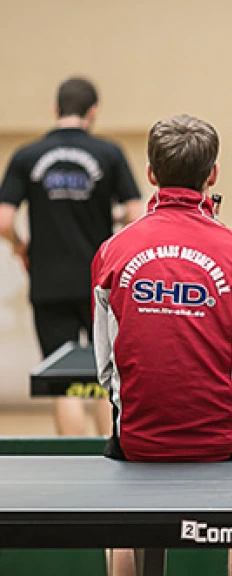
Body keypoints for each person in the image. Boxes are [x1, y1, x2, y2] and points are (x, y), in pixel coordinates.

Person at [91, 114, 232, 576]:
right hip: (224, 442)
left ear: (150, 173)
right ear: (212, 174)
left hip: (138, 439)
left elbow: (105, 362)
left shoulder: (111, 252)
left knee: (126, 518)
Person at [0, 76, 142, 436]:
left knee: (62, 377)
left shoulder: (27, 155)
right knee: (104, 373)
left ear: (55, 109)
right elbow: (136, 212)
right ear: (93, 111)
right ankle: (108, 452)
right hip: (98, 282)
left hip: (48, 282)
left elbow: (3, 219)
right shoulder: (109, 154)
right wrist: (112, 218)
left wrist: (20, 246)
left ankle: (73, 456)